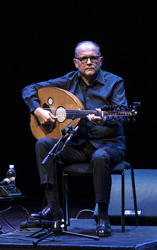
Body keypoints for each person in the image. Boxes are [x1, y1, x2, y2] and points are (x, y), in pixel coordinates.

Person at [22, 40, 129, 237]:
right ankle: (55, 213)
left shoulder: (115, 82)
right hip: (76, 146)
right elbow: (29, 89)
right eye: (84, 58)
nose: (89, 62)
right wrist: (38, 111)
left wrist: (103, 120)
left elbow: (121, 115)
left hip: (109, 145)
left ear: (101, 60)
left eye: (93, 58)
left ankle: (103, 217)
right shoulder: (68, 81)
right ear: (76, 62)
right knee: (44, 144)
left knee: (100, 157)